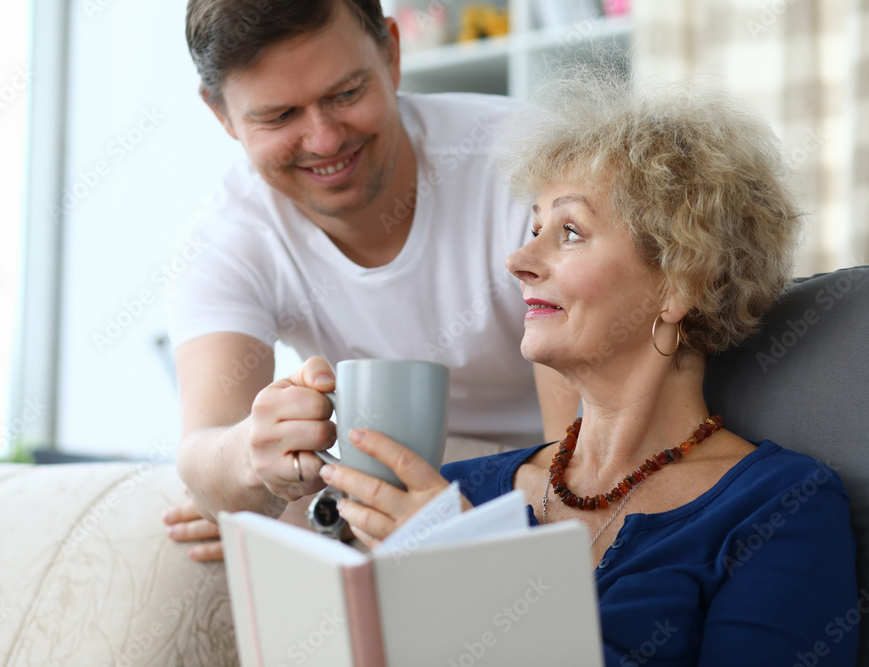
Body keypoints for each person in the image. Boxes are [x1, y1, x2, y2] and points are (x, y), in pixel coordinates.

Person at [318, 71, 859, 664]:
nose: (518, 260)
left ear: (681, 282)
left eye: (570, 232)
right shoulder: (457, 495)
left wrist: (473, 577)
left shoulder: (780, 505)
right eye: (533, 229)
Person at [162, 0, 579, 560]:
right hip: (387, 477)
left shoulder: (527, 162)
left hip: (543, 462)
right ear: (221, 115)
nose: (325, 140)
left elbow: (579, 472)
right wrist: (247, 459)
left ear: (392, 51)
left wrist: (459, 519)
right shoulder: (227, 237)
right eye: (279, 116)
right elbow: (201, 454)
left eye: (346, 94)